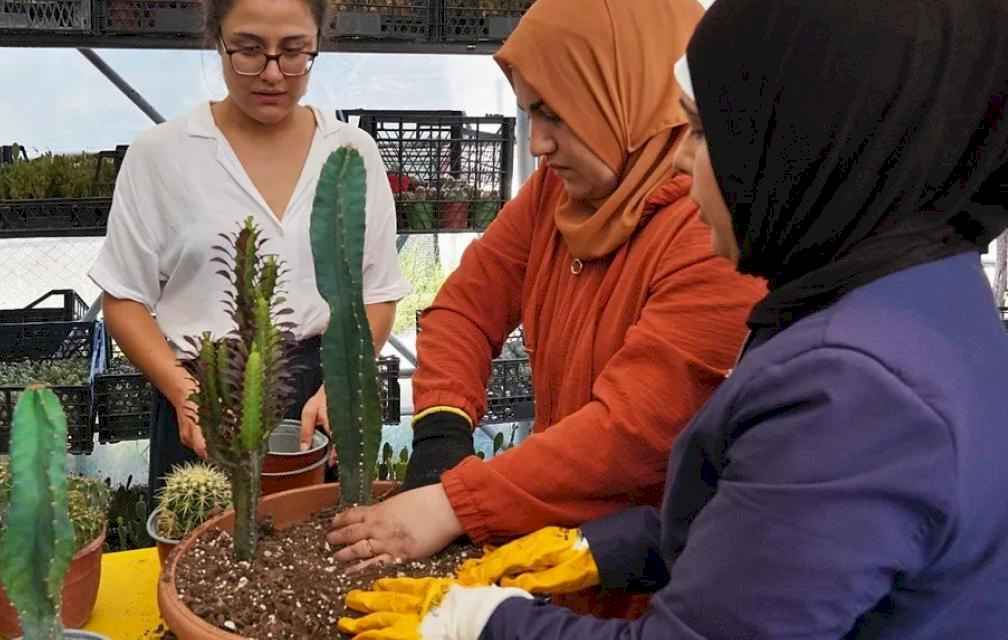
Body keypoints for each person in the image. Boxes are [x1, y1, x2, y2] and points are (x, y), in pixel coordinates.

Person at [337, 0, 1008, 637]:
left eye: (706, 131)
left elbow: (642, 444)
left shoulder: (855, 389)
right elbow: (761, 521)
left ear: (794, 144)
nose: (685, 157)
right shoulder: (912, 287)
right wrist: (605, 544)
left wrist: (479, 619)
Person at [327, 0, 764, 618]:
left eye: (554, 113)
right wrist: (442, 433)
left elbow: (631, 435)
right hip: (557, 557)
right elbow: (465, 308)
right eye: (531, 112)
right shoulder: (558, 194)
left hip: (659, 590)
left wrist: (455, 503)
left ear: (625, 90)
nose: (538, 143)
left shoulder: (710, 232)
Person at [89, 0, 409, 493]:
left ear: (318, 44)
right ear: (216, 40)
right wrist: (186, 393)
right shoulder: (161, 153)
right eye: (249, 50)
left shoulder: (350, 153)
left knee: (324, 555)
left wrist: (343, 388)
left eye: (295, 52)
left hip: (320, 392)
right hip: (206, 388)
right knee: (205, 546)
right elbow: (124, 299)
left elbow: (379, 291)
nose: (273, 74)